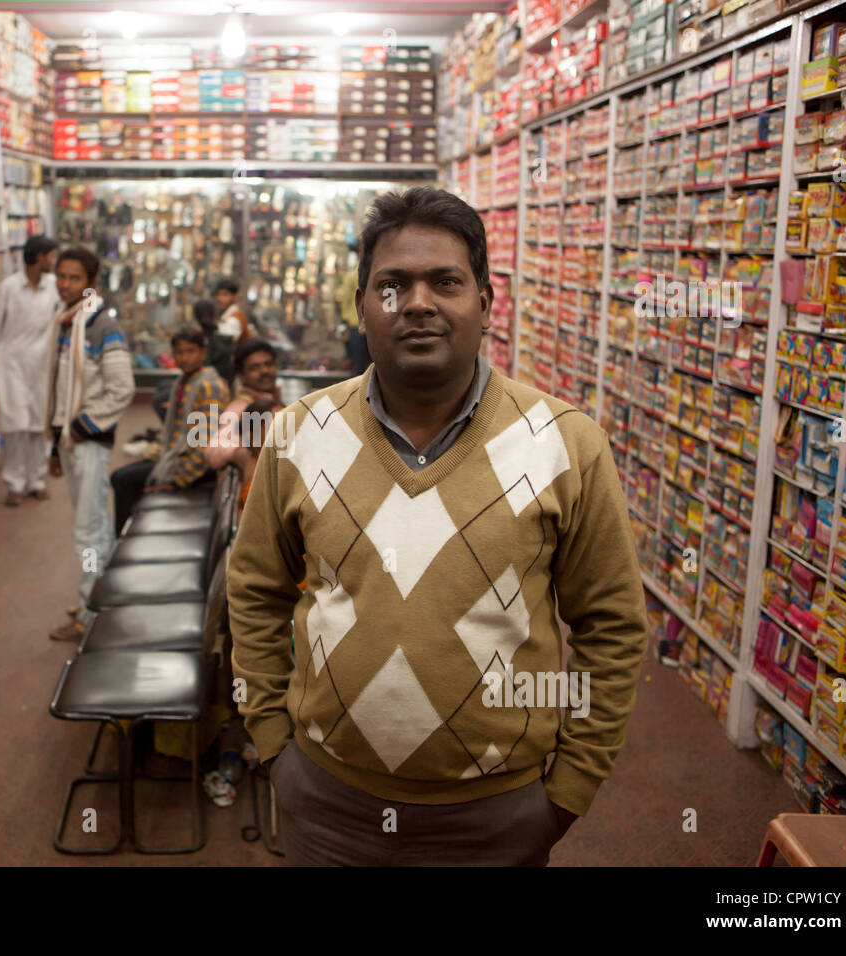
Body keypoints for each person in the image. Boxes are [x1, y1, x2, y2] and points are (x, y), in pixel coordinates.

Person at [228, 186, 648, 866]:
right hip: (326, 804)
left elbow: (613, 625)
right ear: (362, 306)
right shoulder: (297, 435)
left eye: (445, 282)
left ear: (486, 301)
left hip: (495, 819)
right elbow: (253, 590)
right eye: (391, 285)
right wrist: (272, 741)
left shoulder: (567, 443)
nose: (417, 303)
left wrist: (569, 789)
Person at [45, 246, 134, 642]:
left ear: (91, 282)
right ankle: (99, 596)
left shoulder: (101, 326)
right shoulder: (66, 322)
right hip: (71, 440)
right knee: (93, 523)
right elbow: (60, 388)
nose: (65, 284)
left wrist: (83, 426)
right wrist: (56, 441)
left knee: (89, 529)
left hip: (89, 441)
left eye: (74, 278)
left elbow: (122, 388)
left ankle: (87, 611)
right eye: (61, 277)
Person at [110, 326, 229, 532]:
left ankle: (120, 541)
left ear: (202, 353)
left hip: (195, 469)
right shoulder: (185, 381)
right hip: (176, 456)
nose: (184, 358)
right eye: (179, 352)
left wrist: (176, 482)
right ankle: (127, 535)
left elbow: (205, 444)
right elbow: (174, 434)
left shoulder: (208, 386)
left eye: (190, 351)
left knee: (123, 479)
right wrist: (155, 455)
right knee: (121, 475)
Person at [0, 236, 60, 504]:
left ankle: (38, 479)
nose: (54, 262)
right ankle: (14, 483)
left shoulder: (54, 287)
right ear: (39, 257)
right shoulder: (8, 288)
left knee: (39, 425)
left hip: (43, 364)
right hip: (11, 364)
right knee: (14, 426)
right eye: (51, 256)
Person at [204, 338, 283, 473]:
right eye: (255, 367)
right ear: (242, 376)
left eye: (268, 364)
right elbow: (214, 450)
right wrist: (241, 455)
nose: (264, 371)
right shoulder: (242, 407)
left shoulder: (274, 400)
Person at [213, 277, 251, 343]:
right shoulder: (227, 314)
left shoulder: (235, 318)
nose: (220, 298)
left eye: (225, 294)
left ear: (235, 296)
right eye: (218, 294)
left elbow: (225, 343)